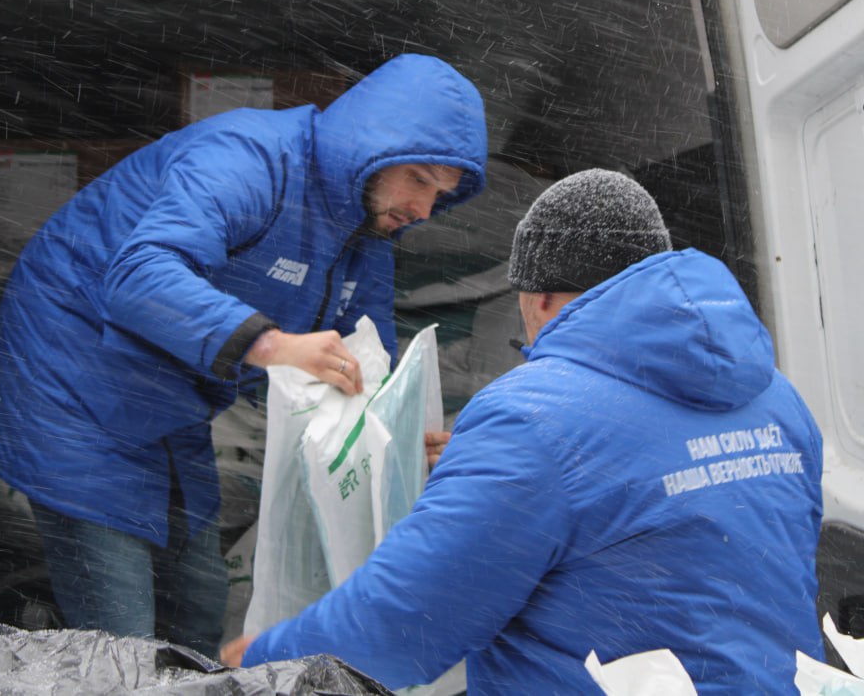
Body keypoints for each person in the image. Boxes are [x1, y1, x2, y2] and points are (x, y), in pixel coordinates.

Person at [225, 168, 824, 694]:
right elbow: (673, 517)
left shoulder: (532, 417)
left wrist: (263, 658)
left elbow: (407, 625)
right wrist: (500, 477)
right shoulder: (778, 398)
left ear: (538, 299)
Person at [0, 53, 488, 654]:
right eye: (418, 179)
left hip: (171, 396)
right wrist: (273, 345)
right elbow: (141, 275)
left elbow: (364, 354)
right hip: (69, 376)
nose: (423, 209)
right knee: (120, 632)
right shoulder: (250, 158)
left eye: (440, 194)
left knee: (195, 608)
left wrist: (397, 433)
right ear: (372, 145)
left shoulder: (366, 228)